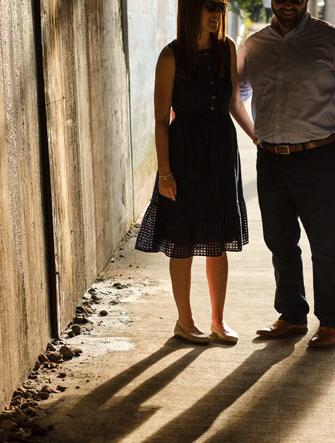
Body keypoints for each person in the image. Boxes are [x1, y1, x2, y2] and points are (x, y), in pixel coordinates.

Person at [238, 0, 335, 348]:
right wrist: (255, 133)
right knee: (280, 242)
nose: (288, 4)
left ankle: (331, 322)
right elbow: (236, 92)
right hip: (269, 159)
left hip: (316, 159)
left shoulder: (333, 41)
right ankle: (292, 316)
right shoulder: (254, 45)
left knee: (324, 244)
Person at [135, 0, 258, 345]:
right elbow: (160, 120)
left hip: (220, 149)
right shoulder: (171, 56)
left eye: (220, 5)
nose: (216, 12)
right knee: (183, 239)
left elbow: (234, 102)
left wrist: (257, 137)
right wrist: (164, 172)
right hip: (185, 151)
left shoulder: (226, 48)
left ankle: (218, 320)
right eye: (209, 5)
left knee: (218, 238)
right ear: (191, 9)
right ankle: (184, 321)